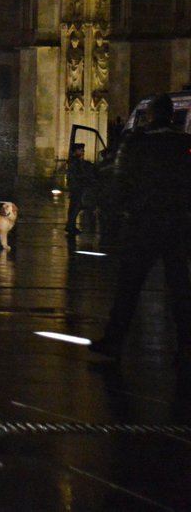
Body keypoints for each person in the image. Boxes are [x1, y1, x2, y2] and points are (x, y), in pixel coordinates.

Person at [89, 94, 191, 363]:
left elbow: (119, 180)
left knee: (129, 286)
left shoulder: (137, 143)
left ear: (151, 115)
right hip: (177, 223)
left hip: (144, 223)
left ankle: (114, 341)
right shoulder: (184, 144)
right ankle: (186, 344)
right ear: (171, 115)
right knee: (180, 287)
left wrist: (116, 212)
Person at [65, 142, 97, 235]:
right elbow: (77, 175)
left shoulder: (77, 161)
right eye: (80, 150)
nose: (83, 151)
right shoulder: (74, 162)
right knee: (75, 207)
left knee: (75, 208)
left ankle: (70, 226)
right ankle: (70, 226)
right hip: (77, 188)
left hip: (77, 187)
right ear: (75, 151)